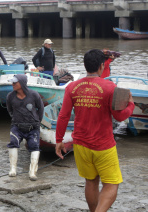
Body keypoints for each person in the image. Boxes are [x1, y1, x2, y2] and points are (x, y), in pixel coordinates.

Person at [55, 49, 135, 212]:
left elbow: (63, 116)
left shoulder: (72, 87)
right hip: (103, 145)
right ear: (101, 66)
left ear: (85, 66)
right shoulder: (110, 87)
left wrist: (59, 140)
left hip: (80, 144)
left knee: (91, 181)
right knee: (111, 184)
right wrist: (131, 105)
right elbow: (119, 117)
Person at [6, 74, 44, 181]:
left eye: (15, 82)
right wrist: (16, 119)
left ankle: (32, 172)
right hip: (17, 126)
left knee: (34, 146)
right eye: (12, 82)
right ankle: (13, 169)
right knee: (13, 142)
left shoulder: (34, 95)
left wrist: (37, 122)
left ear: (21, 83)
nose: (12, 84)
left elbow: (40, 109)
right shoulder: (10, 96)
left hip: (33, 126)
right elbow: (9, 110)